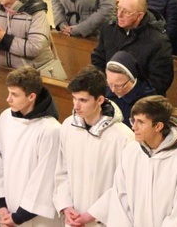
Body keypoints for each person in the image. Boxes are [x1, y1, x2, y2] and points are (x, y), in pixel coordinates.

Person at [53, 66, 134, 227]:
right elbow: (62, 171)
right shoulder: (68, 126)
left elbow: (123, 186)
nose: (76, 106)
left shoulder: (123, 137)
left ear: (100, 100)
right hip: (73, 218)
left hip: (104, 221)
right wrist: (66, 206)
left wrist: (92, 214)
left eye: (83, 100)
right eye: (74, 98)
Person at [104, 95, 177, 225]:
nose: (134, 127)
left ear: (158, 126)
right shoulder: (130, 151)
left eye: (140, 122)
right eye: (133, 121)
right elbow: (120, 199)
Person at [0, 66, 61, 225]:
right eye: (9, 93)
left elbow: (45, 177)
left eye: (14, 94)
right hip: (8, 212)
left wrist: (19, 217)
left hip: (36, 217)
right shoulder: (6, 118)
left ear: (31, 96)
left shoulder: (50, 129)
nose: (8, 99)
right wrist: (1, 204)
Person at [0, 0, 66, 79]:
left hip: (33, 75)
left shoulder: (35, 12)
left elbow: (35, 47)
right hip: (7, 73)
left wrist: (5, 39)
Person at [91, 0, 173, 95]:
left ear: (139, 16)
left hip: (141, 101)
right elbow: (98, 60)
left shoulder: (158, 41)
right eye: (118, 8)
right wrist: (109, 86)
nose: (119, 15)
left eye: (126, 12)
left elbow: (159, 82)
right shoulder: (108, 28)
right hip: (109, 92)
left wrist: (128, 90)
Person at [105, 51, 157, 126]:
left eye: (118, 86)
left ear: (131, 79)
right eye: (109, 84)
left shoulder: (147, 99)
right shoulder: (106, 92)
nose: (112, 90)